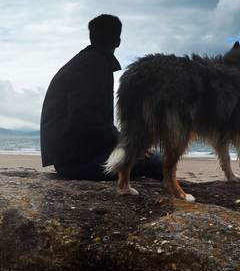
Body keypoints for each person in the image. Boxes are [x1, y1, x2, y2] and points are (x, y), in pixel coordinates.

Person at [40, 14, 163, 181]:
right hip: (77, 162)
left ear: (91, 37)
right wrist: (125, 144)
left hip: (71, 158)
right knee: (157, 163)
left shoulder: (86, 62)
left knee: (149, 157)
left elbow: (93, 120)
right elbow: (85, 118)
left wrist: (124, 143)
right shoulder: (94, 65)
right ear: (118, 41)